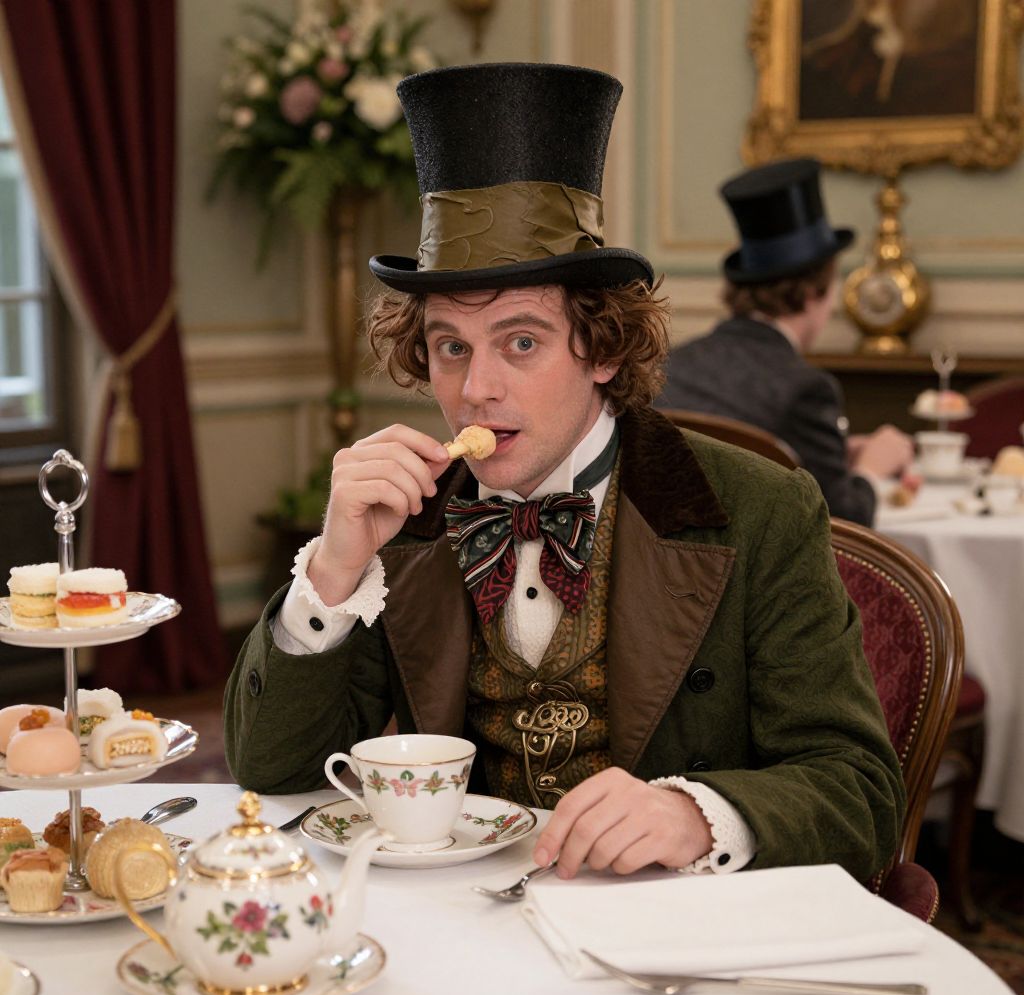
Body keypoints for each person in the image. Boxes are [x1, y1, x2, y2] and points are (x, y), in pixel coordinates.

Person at [224, 64, 904, 883]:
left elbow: (862, 795)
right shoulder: (405, 521)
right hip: (466, 916)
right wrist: (333, 574)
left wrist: (698, 815)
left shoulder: (759, 510)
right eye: (451, 347)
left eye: (521, 342)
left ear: (603, 348)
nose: (477, 389)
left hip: (672, 923)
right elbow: (273, 773)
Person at [657, 158, 913, 527]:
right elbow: (841, 523)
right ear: (813, 292)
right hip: (756, 563)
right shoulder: (806, 390)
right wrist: (872, 469)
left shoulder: (671, 365)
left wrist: (832, 455)